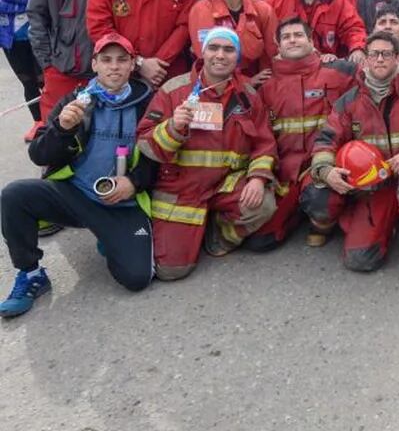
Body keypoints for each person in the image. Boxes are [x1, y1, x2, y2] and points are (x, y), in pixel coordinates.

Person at [0, 33, 156, 318]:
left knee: (137, 278)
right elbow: (38, 155)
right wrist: (62, 129)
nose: (114, 67)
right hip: (75, 194)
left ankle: (108, 237)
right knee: (14, 195)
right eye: (106, 60)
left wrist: (133, 182)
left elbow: (160, 155)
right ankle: (31, 273)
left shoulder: (148, 101)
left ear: (133, 64)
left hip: (121, 203)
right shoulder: (76, 100)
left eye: (122, 60)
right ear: (94, 64)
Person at [303, 31, 399, 297]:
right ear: (365, 59)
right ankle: (384, 220)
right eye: (374, 53)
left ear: (398, 58)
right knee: (360, 259)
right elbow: (326, 139)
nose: (380, 59)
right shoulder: (349, 100)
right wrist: (325, 171)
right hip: (376, 187)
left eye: (387, 53)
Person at [136, 27, 278, 280]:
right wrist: (172, 128)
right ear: (202, 52)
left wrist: (257, 178)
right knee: (172, 271)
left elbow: (265, 144)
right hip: (181, 188)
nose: (220, 55)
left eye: (228, 49)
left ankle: (217, 236)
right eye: (214, 48)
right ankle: (191, 230)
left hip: (226, 184)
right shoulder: (173, 90)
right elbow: (144, 143)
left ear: (238, 57)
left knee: (264, 204)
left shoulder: (249, 96)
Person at [251, 17, 362, 250]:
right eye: (286, 37)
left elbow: (380, 71)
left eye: (298, 35)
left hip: (325, 166)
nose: (293, 40)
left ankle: (322, 223)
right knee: (261, 241)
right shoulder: (266, 87)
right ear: (278, 46)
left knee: (323, 201)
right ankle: (297, 212)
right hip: (285, 173)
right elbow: (261, 139)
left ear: (312, 42)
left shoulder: (338, 73)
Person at [187, 0, 278, 79]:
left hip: (257, 85)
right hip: (217, 83)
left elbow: (271, 53)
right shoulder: (200, 10)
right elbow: (207, 58)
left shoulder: (263, 10)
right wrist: (245, 83)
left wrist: (263, 83)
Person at [0, 0, 43, 128]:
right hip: (12, 41)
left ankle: (53, 120)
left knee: (46, 81)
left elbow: (38, 0)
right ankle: (38, 122)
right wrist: (25, 0)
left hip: (39, 38)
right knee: (29, 83)